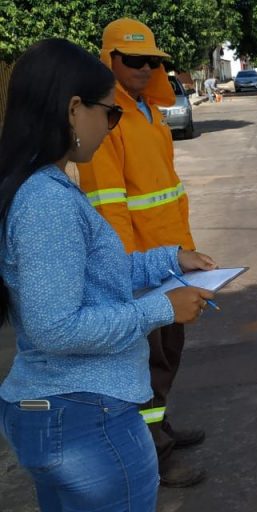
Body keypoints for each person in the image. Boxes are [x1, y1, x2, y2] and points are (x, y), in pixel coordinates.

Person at [0, 38, 216, 512]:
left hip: (69, 409)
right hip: (85, 415)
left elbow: (99, 273)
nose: (111, 126)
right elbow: (55, 328)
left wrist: (169, 260)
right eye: (109, 113)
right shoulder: (47, 202)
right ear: (74, 110)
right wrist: (161, 308)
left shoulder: (45, 187)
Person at [76, 18, 209, 488]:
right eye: (133, 59)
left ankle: (160, 427)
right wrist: (125, 276)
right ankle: (154, 455)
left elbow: (165, 192)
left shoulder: (150, 113)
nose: (144, 68)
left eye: (152, 60)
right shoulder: (108, 119)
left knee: (168, 355)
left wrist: (185, 254)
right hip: (138, 272)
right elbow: (108, 206)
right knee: (145, 364)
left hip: (170, 261)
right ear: (109, 60)